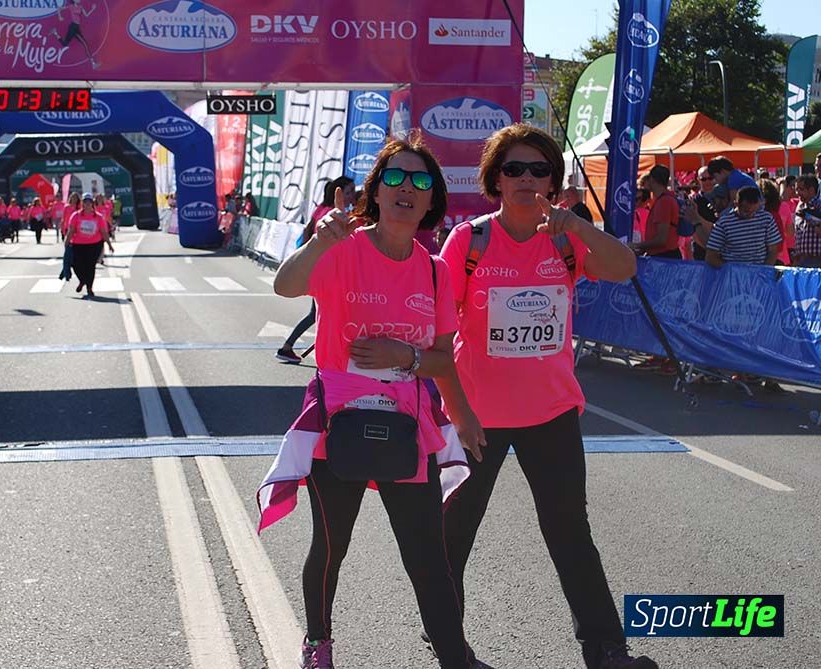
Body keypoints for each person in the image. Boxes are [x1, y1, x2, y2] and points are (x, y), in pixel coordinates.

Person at [265, 133, 488, 669]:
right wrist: (319, 242)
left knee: (427, 555)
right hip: (338, 419)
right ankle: (318, 644)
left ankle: (455, 657)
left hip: (406, 426)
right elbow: (284, 286)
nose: (406, 188)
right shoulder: (343, 247)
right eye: (394, 177)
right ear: (376, 191)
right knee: (331, 544)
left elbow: (441, 359)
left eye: (419, 180)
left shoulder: (434, 269)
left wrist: (404, 356)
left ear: (432, 198)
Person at [438, 124, 656, 669]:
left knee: (570, 533)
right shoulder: (470, 241)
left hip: (552, 413)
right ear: (496, 179)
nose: (527, 179)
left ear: (554, 181)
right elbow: (441, 334)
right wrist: (458, 411)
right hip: (477, 417)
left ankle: (606, 649)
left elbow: (624, 268)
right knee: (452, 535)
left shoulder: (564, 238)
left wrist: (580, 226)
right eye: (514, 169)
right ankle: (448, 645)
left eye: (539, 170)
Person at [276, 176, 356, 364]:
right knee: (317, 314)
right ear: (338, 193)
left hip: (318, 268)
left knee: (319, 314)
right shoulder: (332, 214)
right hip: (322, 271)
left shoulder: (322, 209)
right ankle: (287, 347)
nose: (353, 195)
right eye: (349, 192)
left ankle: (289, 347)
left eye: (353, 191)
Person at [705, 185, 781, 268]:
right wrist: (731, 271)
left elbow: (773, 250)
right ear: (736, 204)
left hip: (759, 272)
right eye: (746, 211)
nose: (750, 215)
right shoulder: (724, 223)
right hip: (734, 274)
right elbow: (711, 255)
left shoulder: (766, 219)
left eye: (754, 211)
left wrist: (764, 270)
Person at [65, 192, 112, 297]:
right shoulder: (76, 216)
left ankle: (89, 287)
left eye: (89, 202)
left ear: (92, 204)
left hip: (94, 244)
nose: (87, 204)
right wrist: (67, 241)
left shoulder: (98, 217)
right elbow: (71, 230)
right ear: (82, 203)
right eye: (85, 202)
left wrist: (109, 244)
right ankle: (82, 280)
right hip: (78, 244)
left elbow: (104, 231)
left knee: (90, 267)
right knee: (75, 264)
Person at [629, 165, 680, 259]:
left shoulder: (664, 202)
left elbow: (661, 239)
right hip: (663, 255)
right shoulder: (663, 200)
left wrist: (637, 245)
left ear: (652, 180)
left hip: (665, 257)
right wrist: (642, 250)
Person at [50, 0, 99, 69]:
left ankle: (93, 63)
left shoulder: (81, 7)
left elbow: (86, 15)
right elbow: (59, 9)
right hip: (72, 27)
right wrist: (60, 17)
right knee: (79, 43)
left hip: (77, 28)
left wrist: (92, 9)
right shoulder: (71, 6)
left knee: (74, 44)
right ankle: (93, 63)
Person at [759, 179, 794, 265]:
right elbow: (790, 233)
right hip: (782, 257)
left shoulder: (758, 212)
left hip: (763, 258)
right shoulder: (784, 206)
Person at [792, 175, 821, 267]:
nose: (798, 193)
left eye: (801, 189)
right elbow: (798, 233)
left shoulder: (819, 206)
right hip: (802, 259)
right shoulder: (800, 207)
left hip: (817, 258)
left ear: (811, 190)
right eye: (797, 189)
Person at [59, 192, 82, 281]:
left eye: (76, 198)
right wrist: (62, 229)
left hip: (77, 232)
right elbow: (64, 219)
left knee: (72, 255)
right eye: (73, 198)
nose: (74, 199)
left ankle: (64, 272)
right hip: (68, 230)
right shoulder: (67, 207)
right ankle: (66, 272)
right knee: (67, 253)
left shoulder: (79, 208)